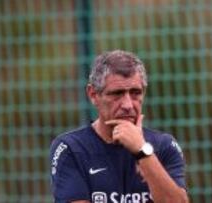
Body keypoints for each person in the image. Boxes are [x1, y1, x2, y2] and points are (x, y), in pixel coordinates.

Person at [49, 50, 188, 203]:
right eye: (117, 94)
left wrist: (142, 152)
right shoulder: (71, 148)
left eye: (135, 93)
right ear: (93, 95)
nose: (128, 105)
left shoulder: (164, 146)